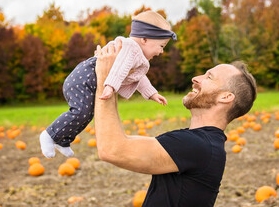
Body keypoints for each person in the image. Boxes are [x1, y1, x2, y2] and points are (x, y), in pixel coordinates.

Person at [94, 43, 257, 207]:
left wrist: (105, 79)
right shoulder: (201, 143)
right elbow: (122, 143)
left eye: (209, 77)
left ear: (226, 97)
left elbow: (112, 149)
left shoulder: (199, 146)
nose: (195, 78)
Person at [39, 11, 177, 158]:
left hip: (88, 78)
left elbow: (137, 77)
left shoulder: (136, 54)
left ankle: (63, 140)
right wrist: (110, 86)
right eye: (161, 46)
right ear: (144, 39)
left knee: (87, 114)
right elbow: (119, 69)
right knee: (80, 112)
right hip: (84, 77)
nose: (161, 52)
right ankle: (49, 134)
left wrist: (152, 93)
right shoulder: (131, 47)